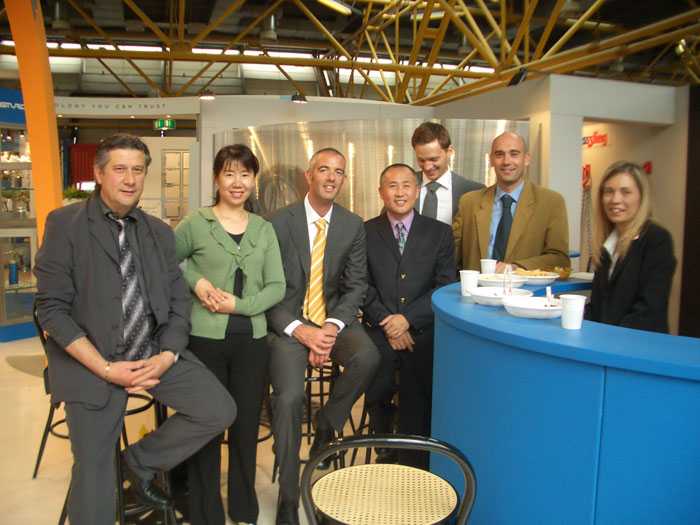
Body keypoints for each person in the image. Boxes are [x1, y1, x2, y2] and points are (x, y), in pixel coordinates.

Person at [34, 133, 236, 525]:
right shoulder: (65, 224)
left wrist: (166, 356)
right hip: (91, 362)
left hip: (150, 353)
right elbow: (51, 310)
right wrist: (105, 368)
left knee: (218, 409)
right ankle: (107, 478)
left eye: (138, 170)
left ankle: (135, 463)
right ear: (99, 174)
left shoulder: (158, 232)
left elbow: (178, 303)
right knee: (94, 475)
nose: (130, 179)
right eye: (120, 169)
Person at [267, 147, 380, 525]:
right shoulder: (277, 223)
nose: (331, 177)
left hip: (332, 320)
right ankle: (287, 497)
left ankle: (326, 425)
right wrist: (303, 332)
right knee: (288, 399)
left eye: (339, 172)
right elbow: (267, 289)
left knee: (368, 357)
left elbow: (356, 285)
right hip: (289, 324)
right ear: (309, 175)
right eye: (324, 170)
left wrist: (330, 329)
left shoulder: (352, 224)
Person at [175, 144, 285, 525]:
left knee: (246, 424)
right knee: (205, 422)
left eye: (245, 174)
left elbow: (277, 286)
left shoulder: (264, 229)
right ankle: (205, 510)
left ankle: (243, 506)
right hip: (204, 339)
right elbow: (167, 260)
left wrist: (240, 305)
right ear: (216, 178)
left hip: (251, 341)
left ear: (254, 180)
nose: (237, 182)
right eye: (229, 174)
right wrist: (197, 281)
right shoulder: (196, 223)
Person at [363, 163, 456, 469]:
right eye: (392, 186)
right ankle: (382, 441)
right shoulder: (365, 231)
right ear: (381, 192)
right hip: (380, 326)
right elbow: (361, 285)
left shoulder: (440, 233)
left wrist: (408, 320)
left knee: (421, 371)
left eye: (406, 185)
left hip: (422, 328)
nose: (400, 192)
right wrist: (389, 323)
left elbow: (445, 285)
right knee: (377, 366)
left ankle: (415, 454)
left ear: (417, 191)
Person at [453, 131, 570, 272]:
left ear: (526, 159)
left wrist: (515, 268)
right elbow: (451, 254)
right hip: (476, 285)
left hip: (525, 286)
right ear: (491, 160)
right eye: (499, 154)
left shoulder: (551, 202)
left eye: (514, 154)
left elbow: (560, 259)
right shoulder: (469, 202)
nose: (506, 161)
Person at [586, 161, 676, 333]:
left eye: (625, 192)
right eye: (609, 191)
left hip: (638, 343)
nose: (615, 200)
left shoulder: (657, 239)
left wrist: (608, 339)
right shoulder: (607, 244)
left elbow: (648, 310)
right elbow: (598, 306)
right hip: (606, 342)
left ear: (641, 197)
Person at [411, 121, 483, 224]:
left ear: (450, 152)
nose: (427, 167)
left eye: (433, 159)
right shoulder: (404, 186)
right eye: (421, 160)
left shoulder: (473, 191)